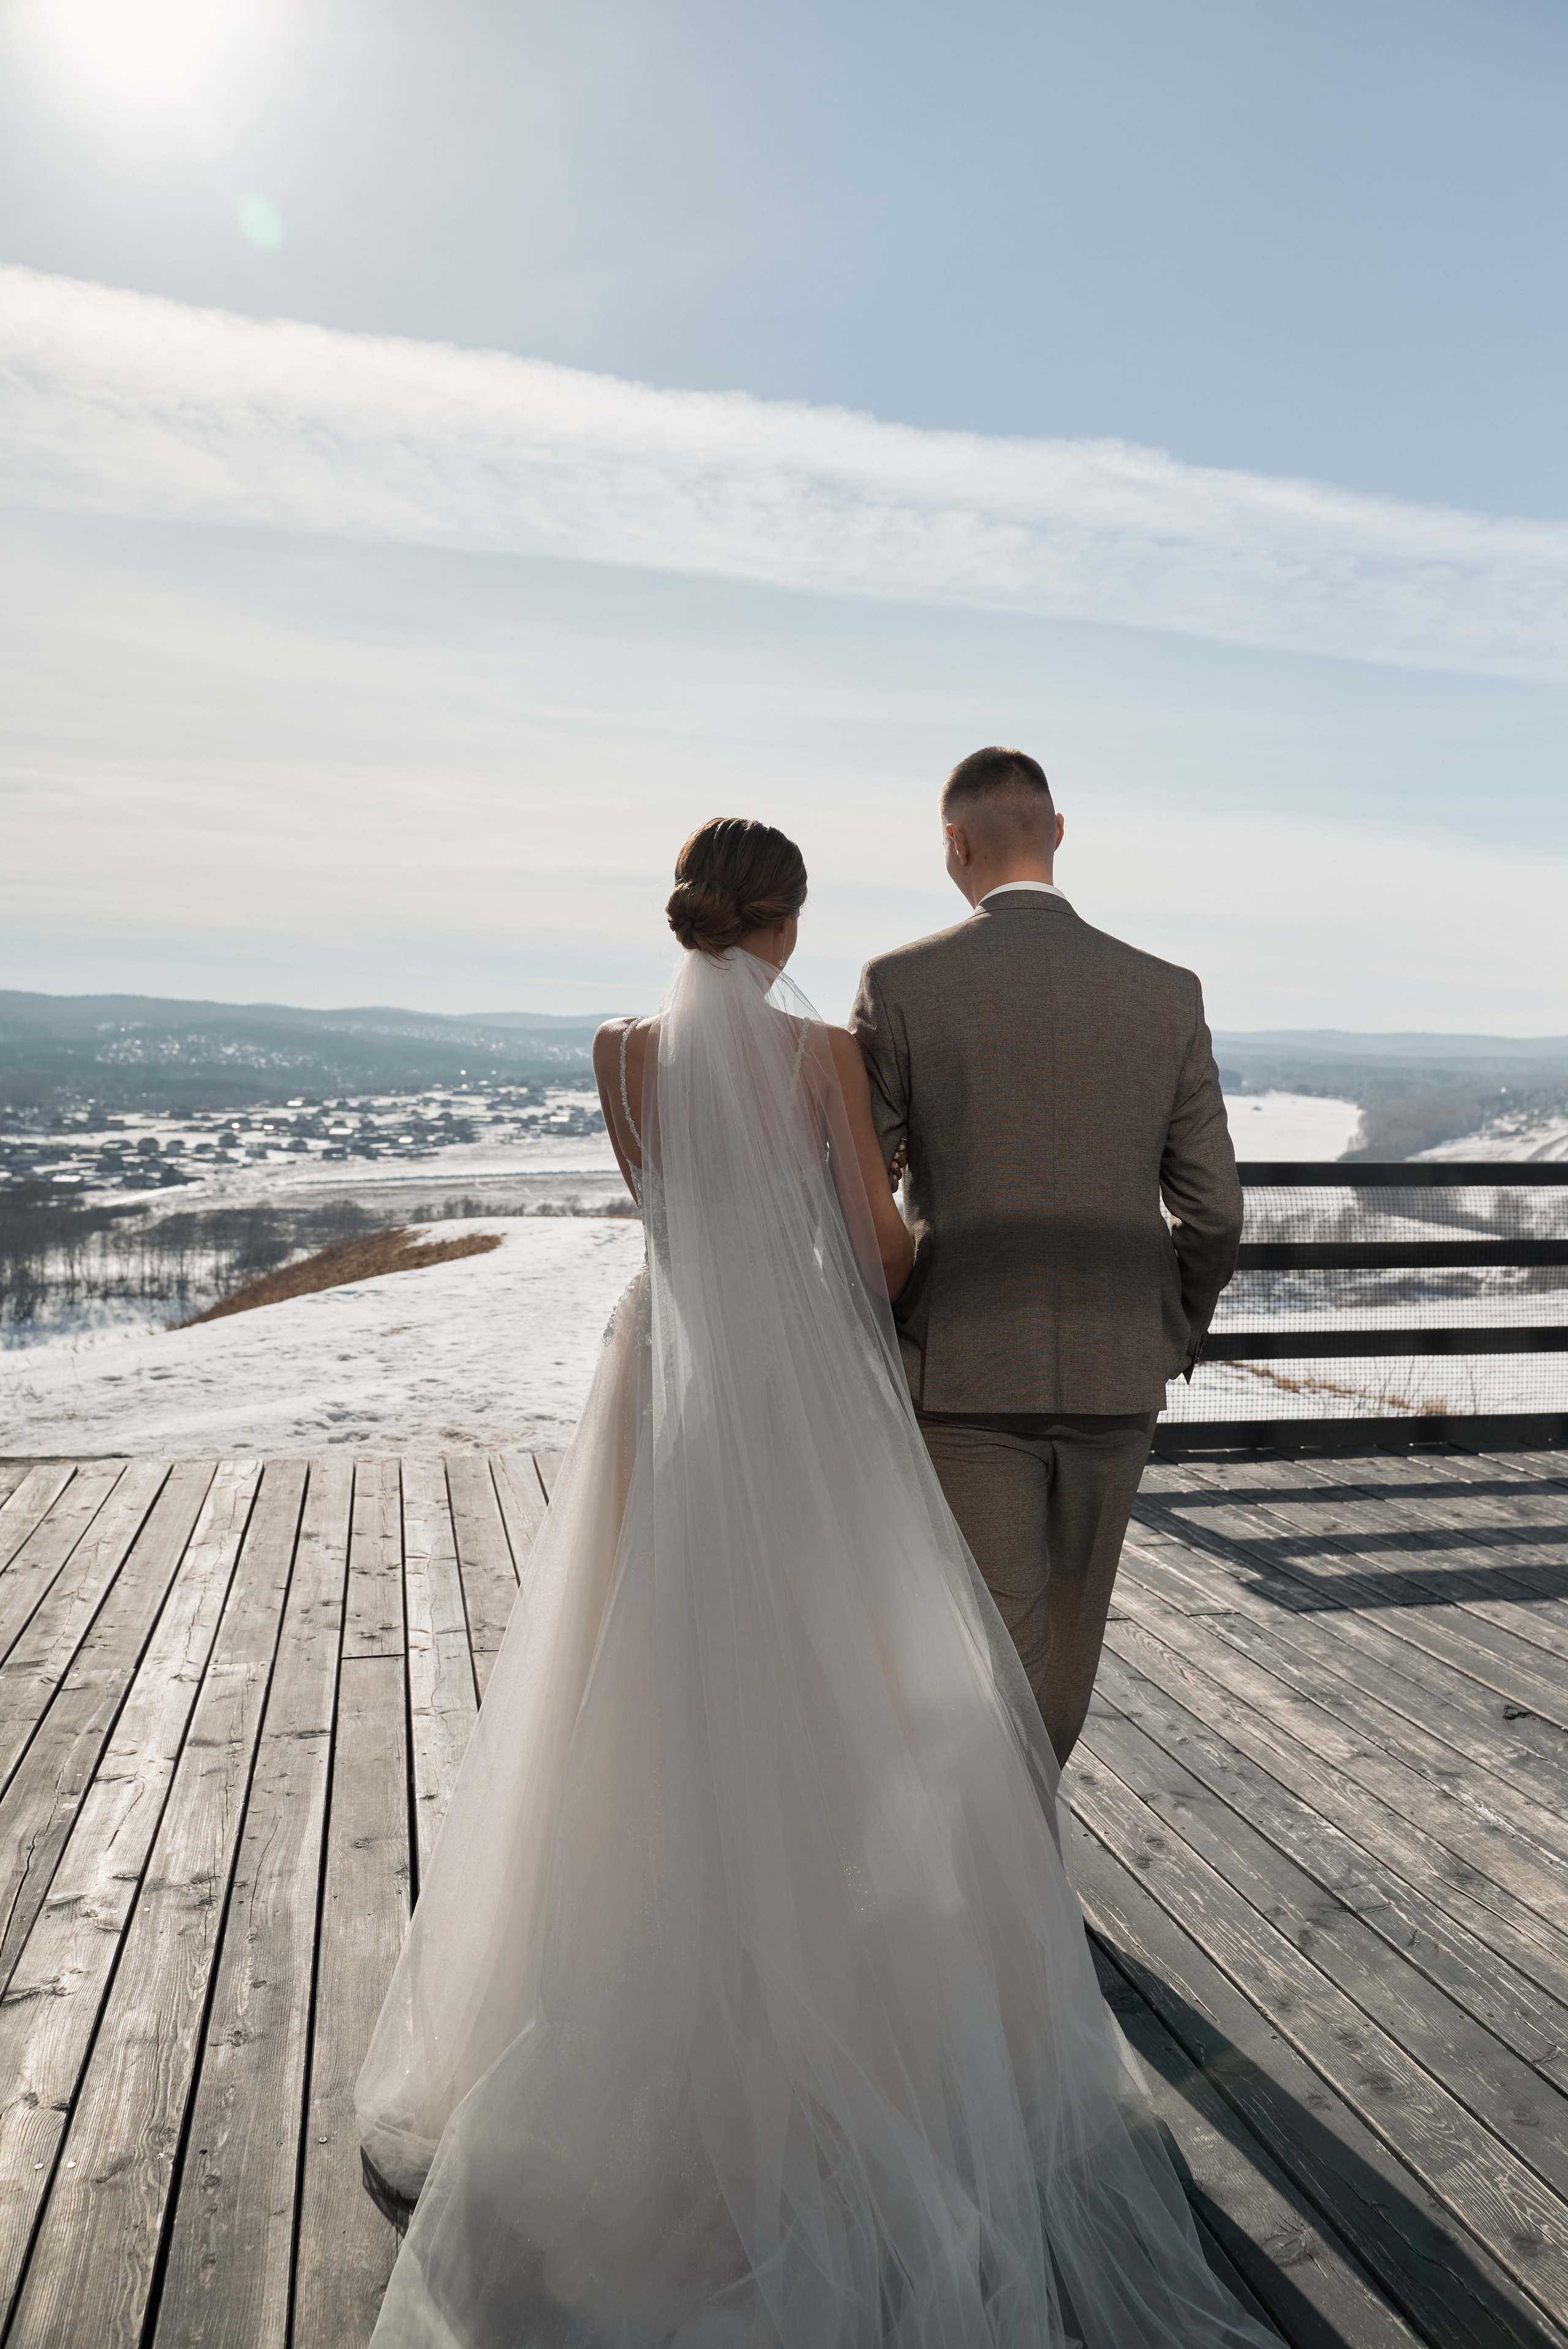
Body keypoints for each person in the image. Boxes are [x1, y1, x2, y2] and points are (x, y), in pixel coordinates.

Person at [356, 816, 1270, 2348]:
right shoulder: (822, 1061)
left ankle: (640, 2002)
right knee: (824, 1689)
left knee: (641, 1674)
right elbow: (879, 1246)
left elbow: (670, 1214)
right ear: (785, 922)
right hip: (796, 1401)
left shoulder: (616, 1051)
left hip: (665, 1375)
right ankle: (827, 1993)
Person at [851, 748, 1242, 1765]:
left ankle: (1000, 1887)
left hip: (966, 1363)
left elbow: (858, 1184)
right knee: (1067, 1637)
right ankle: (1020, 1878)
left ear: (954, 844)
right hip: (1121, 1363)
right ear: (1058, 832)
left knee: (993, 1640)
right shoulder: (1168, 993)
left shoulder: (901, 985)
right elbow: (1217, 1210)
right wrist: (1172, 1322)